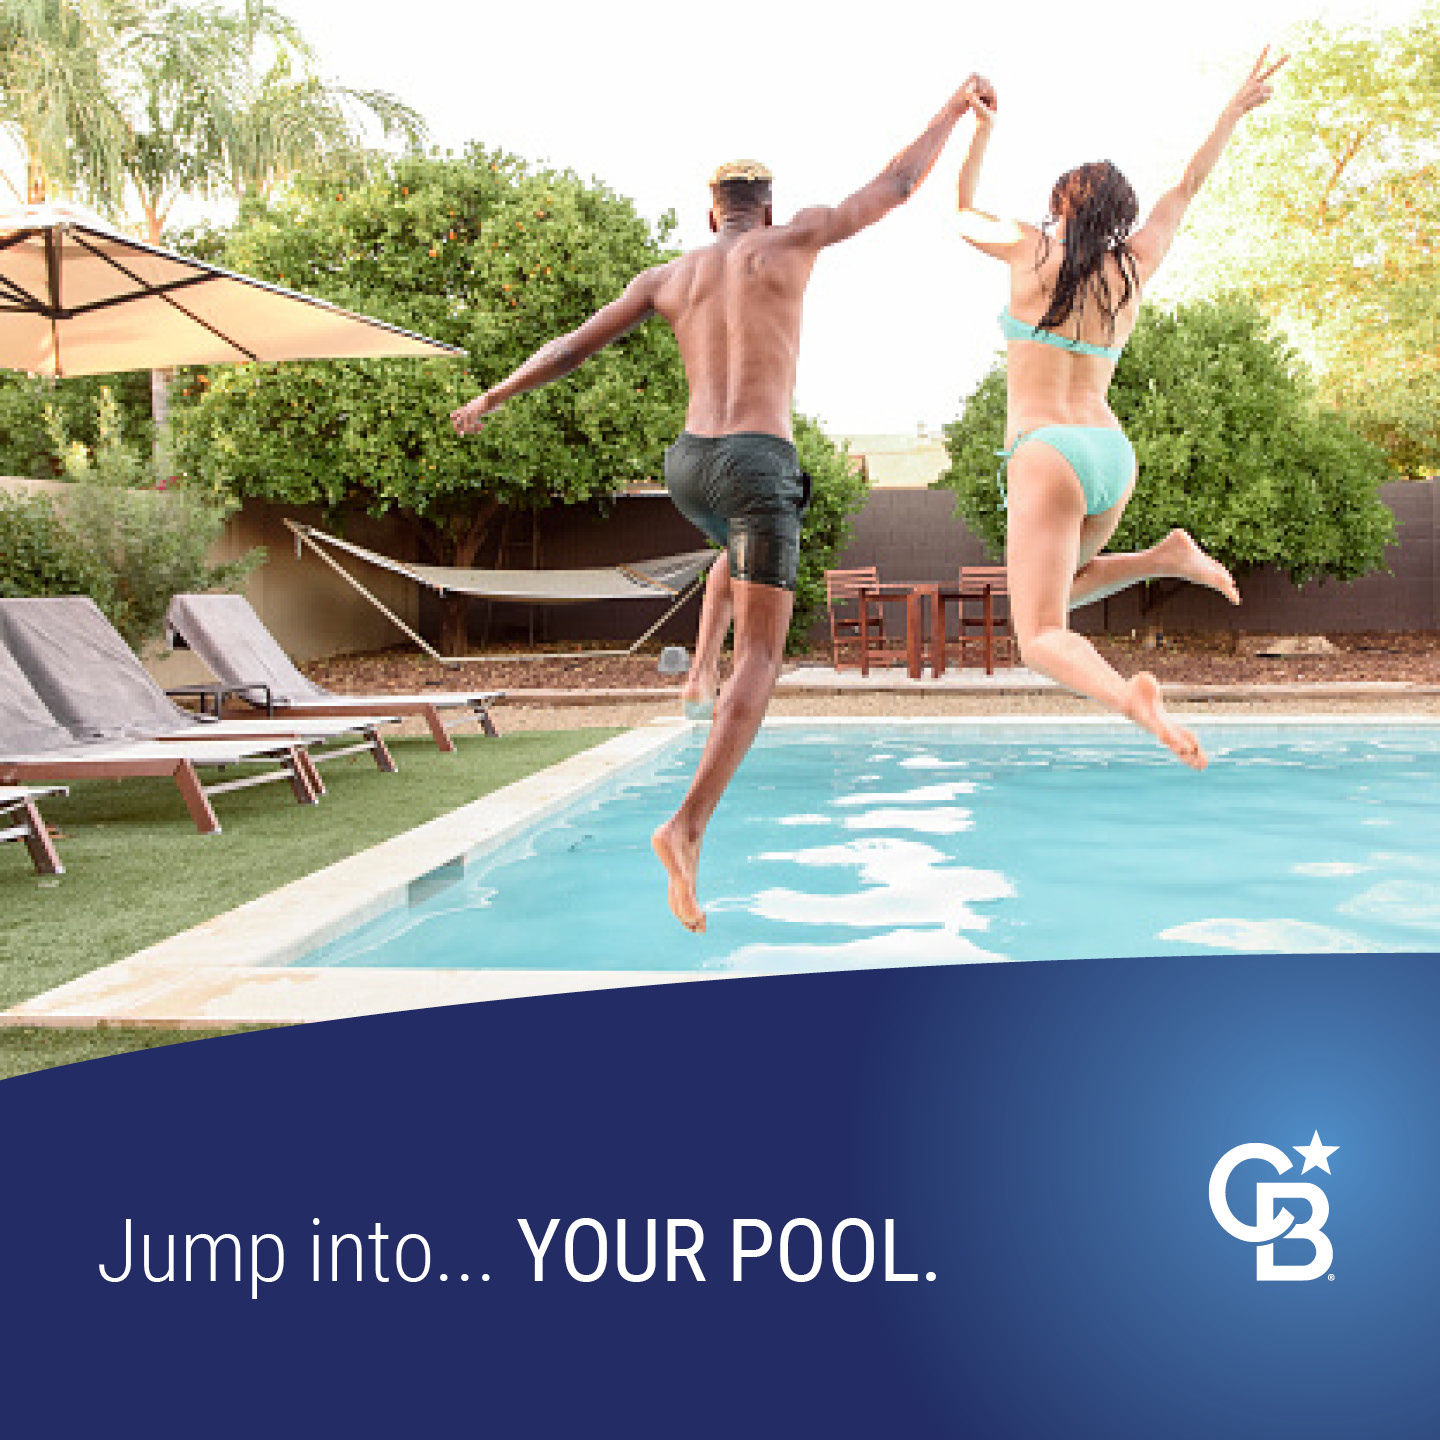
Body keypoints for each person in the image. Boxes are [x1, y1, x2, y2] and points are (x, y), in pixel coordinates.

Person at [452, 76, 990, 931]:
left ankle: (700, 664)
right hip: (756, 461)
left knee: (731, 552)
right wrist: (955, 111)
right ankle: (687, 826)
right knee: (765, 659)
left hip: (688, 468)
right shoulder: (796, 239)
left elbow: (568, 349)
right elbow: (893, 187)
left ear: (712, 215)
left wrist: (491, 397)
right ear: (765, 212)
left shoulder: (668, 277)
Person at [954, 49, 1287, 769]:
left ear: (1058, 202)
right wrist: (1231, 112)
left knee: (1039, 635)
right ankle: (1166, 555)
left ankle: (1131, 701)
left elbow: (959, 213)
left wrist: (977, 129)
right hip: (1109, 454)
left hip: (1046, 453)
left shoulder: (1025, 248)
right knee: (1062, 586)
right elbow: (1187, 187)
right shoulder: (1133, 265)